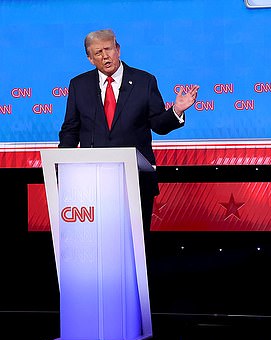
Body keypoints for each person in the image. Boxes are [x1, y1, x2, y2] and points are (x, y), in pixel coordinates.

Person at [58, 28, 199, 240]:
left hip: (136, 179)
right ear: (90, 59)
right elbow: (71, 129)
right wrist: (62, 166)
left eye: (109, 49)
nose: (105, 56)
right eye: (98, 53)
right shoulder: (79, 85)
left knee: (135, 243)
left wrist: (176, 110)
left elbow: (158, 124)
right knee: (97, 243)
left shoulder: (144, 81)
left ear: (118, 49)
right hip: (92, 182)